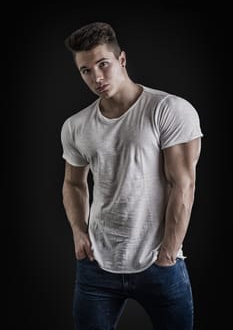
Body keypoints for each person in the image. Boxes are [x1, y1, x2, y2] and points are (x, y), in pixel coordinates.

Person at [61, 22, 203, 330]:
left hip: (159, 263)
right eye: (86, 70)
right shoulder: (75, 126)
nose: (96, 77)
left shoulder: (168, 109)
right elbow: (73, 183)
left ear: (121, 60)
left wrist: (167, 252)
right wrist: (78, 231)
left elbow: (184, 184)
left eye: (103, 64)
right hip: (96, 264)